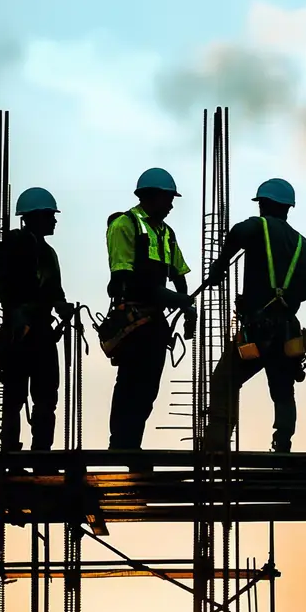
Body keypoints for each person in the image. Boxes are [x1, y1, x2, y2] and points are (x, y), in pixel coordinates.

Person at [204, 178, 306, 453]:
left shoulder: (258, 227)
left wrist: (220, 266)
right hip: (288, 333)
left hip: (258, 331)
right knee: (283, 392)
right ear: (288, 207)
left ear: (263, 204)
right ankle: (283, 446)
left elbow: (237, 233)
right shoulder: (305, 246)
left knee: (225, 380)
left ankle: (217, 444)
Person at [105, 168, 196, 451]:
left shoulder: (166, 234)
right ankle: (120, 443)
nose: (170, 206)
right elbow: (126, 279)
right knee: (130, 384)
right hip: (134, 320)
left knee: (148, 389)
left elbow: (179, 274)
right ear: (151, 197)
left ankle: (133, 444)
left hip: (156, 323)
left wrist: (187, 306)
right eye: (168, 199)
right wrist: (176, 300)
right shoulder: (124, 225)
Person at [0, 187, 74, 454]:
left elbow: (55, 293)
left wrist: (62, 307)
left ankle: (40, 451)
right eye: (50, 215)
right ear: (36, 216)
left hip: (40, 333)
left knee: (44, 397)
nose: (54, 220)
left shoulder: (49, 254)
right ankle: (13, 451)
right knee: (17, 397)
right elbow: (9, 288)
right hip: (21, 333)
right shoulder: (16, 245)